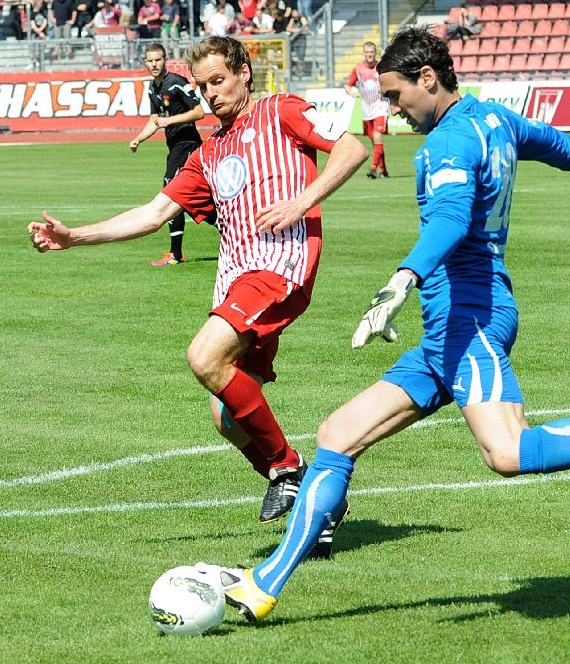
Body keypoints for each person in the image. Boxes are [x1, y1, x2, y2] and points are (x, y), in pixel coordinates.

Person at [202, 25, 570, 623]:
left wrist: (400, 282)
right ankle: (264, 585)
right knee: (336, 436)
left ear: (428, 78)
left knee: (507, 451)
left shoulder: (446, 145)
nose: (394, 111)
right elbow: (558, 145)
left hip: (469, 318)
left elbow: (451, 222)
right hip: (448, 328)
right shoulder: (495, 119)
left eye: (397, 95)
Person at [28, 36, 368, 533]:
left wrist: (301, 201)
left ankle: (287, 467)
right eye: (203, 86)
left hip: (279, 265)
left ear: (244, 73)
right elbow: (152, 214)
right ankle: (319, 502)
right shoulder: (208, 155)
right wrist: (75, 236)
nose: (211, 93)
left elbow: (352, 148)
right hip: (235, 279)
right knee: (226, 416)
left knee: (204, 357)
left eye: (218, 81)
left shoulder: (282, 110)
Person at [129, 42, 207, 266]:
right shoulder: (153, 88)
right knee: (194, 198)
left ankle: (176, 254)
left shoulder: (177, 83)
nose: (154, 64)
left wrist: (169, 121)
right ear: (145, 62)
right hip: (175, 147)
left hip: (188, 143)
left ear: (165, 60)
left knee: (171, 191)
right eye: (150, 60)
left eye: (158, 60)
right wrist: (139, 139)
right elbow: (154, 121)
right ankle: (223, 227)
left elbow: (199, 112)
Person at [344, 41, 390, 179]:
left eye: (372, 52)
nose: (370, 55)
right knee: (375, 142)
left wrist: (385, 89)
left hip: (381, 106)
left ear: (375, 52)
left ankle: (373, 169)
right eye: (367, 52)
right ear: (364, 53)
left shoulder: (381, 67)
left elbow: (390, 82)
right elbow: (348, 85)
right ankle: (384, 170)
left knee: (377, 136)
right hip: (366, 109)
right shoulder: (358, 68)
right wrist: (352, 92)